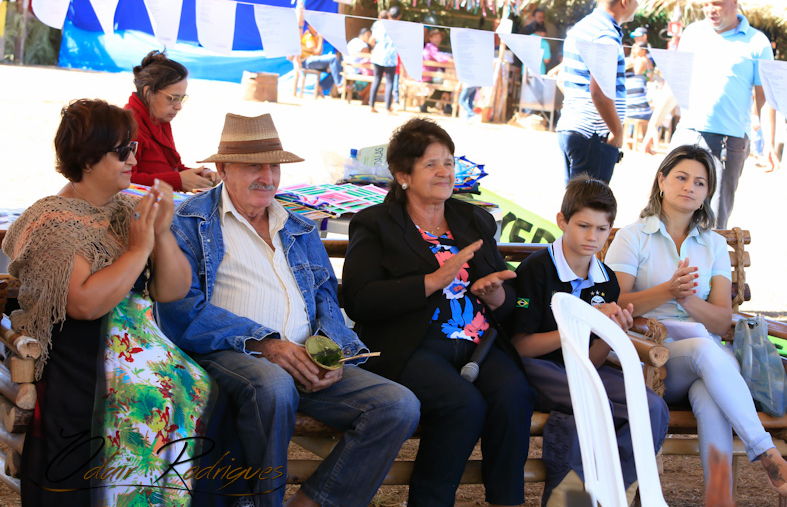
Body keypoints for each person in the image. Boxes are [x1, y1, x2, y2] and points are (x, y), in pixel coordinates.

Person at [156, 113, 420, 507]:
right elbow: (181, 312)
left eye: (274, 167)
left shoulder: (297, 225)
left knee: (398, 405)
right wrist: (266, 344)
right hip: (228, 355)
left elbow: (326, 298)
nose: (268, 177)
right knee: (274, 385)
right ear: (223, 168)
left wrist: (330, 352)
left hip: (302, 358)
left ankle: (313, 503)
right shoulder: (190, 221)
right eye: (254, 167)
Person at [3, 99, 221, 505]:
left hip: (128, 347)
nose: (134, 159)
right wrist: (138, 250)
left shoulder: (123, 210)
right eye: (123, 151)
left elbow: (173, 290)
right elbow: (83, 306)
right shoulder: (54, 222)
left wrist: (162, 234)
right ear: (88, 159)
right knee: (160, 396)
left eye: (133, 148)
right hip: (80, 357)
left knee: (198, 387)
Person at [343, 118, 536, 507]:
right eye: (431, 164)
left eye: (449, 162)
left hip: (478, 343)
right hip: (411, 346)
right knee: (462, 405)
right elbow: (359, 299)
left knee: (514, 394)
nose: (444, 172)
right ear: (403, 175)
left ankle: (506, 500)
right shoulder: (375, 224)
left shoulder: (474, 219)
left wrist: (497, 295)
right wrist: (432, 281)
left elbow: (512, 300)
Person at [605, 145, 787, 495]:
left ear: (707, 193)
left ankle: (719, 497)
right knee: (707, 352)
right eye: (681, 177)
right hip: (651, 358)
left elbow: (720, 322)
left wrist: (687, 299)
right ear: (661, 180)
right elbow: (616, 302)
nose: (690, 187)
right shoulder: (633, 236)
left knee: (708, 391)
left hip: (706, 360)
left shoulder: (713, 245)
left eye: (700, 182)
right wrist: (668, 291)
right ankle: (765, 451)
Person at [510, 174, 669, 505]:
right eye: (583, 226)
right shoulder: (537, 269)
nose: (592, 237)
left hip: (583, 370)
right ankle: (577, 495)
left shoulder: (606, 279)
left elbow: (592, 360)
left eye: (601, 229)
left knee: (652, 407)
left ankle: (613, 492)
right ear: (562, 221)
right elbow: (521, 347)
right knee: (595, 404)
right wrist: (580, 323)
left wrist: (612, 333)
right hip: (535, 368)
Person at [642, 0, 776, 227]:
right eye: (705, 4)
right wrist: (653, 125)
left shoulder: (758, 42)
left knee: (712, 222)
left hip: (728, 141)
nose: (710, 9)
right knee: (664, 209)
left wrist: (768, 143)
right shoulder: (693, 33)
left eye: (717, 3)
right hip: (687, 132)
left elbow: (764, 98)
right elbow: (675, 84)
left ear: (734, 3)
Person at [555, 0, 639, 184]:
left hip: (573, 126)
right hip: (593, 134)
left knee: (575, 200)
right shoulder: (606, 34)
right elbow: (599, 92)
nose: (637, 4)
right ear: (625, 1)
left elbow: (561, 79)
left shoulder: (582, 27)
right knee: (590, 202)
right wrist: (617, 131)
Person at [125, 50, 219, 191]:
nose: (179, 106)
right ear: (148, 92)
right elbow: (124, 179)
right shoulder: (128, 126)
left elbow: (172, 168)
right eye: (173, 98)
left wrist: (199, 175)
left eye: (182, 99)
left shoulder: (159, 121)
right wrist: (177, 181)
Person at [369, 6, 401, 113]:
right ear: (399, 16)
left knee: (376, 80)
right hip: (391, 57)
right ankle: (388, 107)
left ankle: (371, 106)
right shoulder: (400, 27)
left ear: (388, 15)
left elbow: (371, 40)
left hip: (378, 55)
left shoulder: (379, 24)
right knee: (390, 82)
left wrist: (375, 47)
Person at [300, 23, 344, 97]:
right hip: (307, 62)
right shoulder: (308, 37)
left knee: (337, 68)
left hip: (313, 61)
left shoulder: (315, 37)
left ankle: (321, 86)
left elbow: (318, 54)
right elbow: (317, 53)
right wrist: (321, 39)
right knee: (333, 58)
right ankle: (339, 85)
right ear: (309, 26)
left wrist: (320, 39)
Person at [419, 28, 454, 114]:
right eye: (435, 37)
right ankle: (428, 105)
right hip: (427, 76)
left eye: (439, 37)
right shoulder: (431, 47)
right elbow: (440, 58)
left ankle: (446, 107)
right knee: (446, 86)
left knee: (447, 85)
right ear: (430, 38)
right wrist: (451, 60)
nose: (438, 39)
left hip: (429, 74)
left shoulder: (430, 47)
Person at [625, 43, 653, 121]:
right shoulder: (647, 60)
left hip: (639, 91)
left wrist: (632, 58)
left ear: (643, 50)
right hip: (647, 87)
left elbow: (636, 74)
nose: (633, 51)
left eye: (635, 48)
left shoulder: (640, 60)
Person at [346, 27, 373, 104]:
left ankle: (359, 93)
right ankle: (363, 96)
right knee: (376, 78)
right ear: (362, 35)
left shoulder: (352, 41)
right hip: (356, 70)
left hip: (347, 68)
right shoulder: (363, 45)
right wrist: (372, 45)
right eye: (368, 35)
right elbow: (369, 58)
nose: (369, 38)